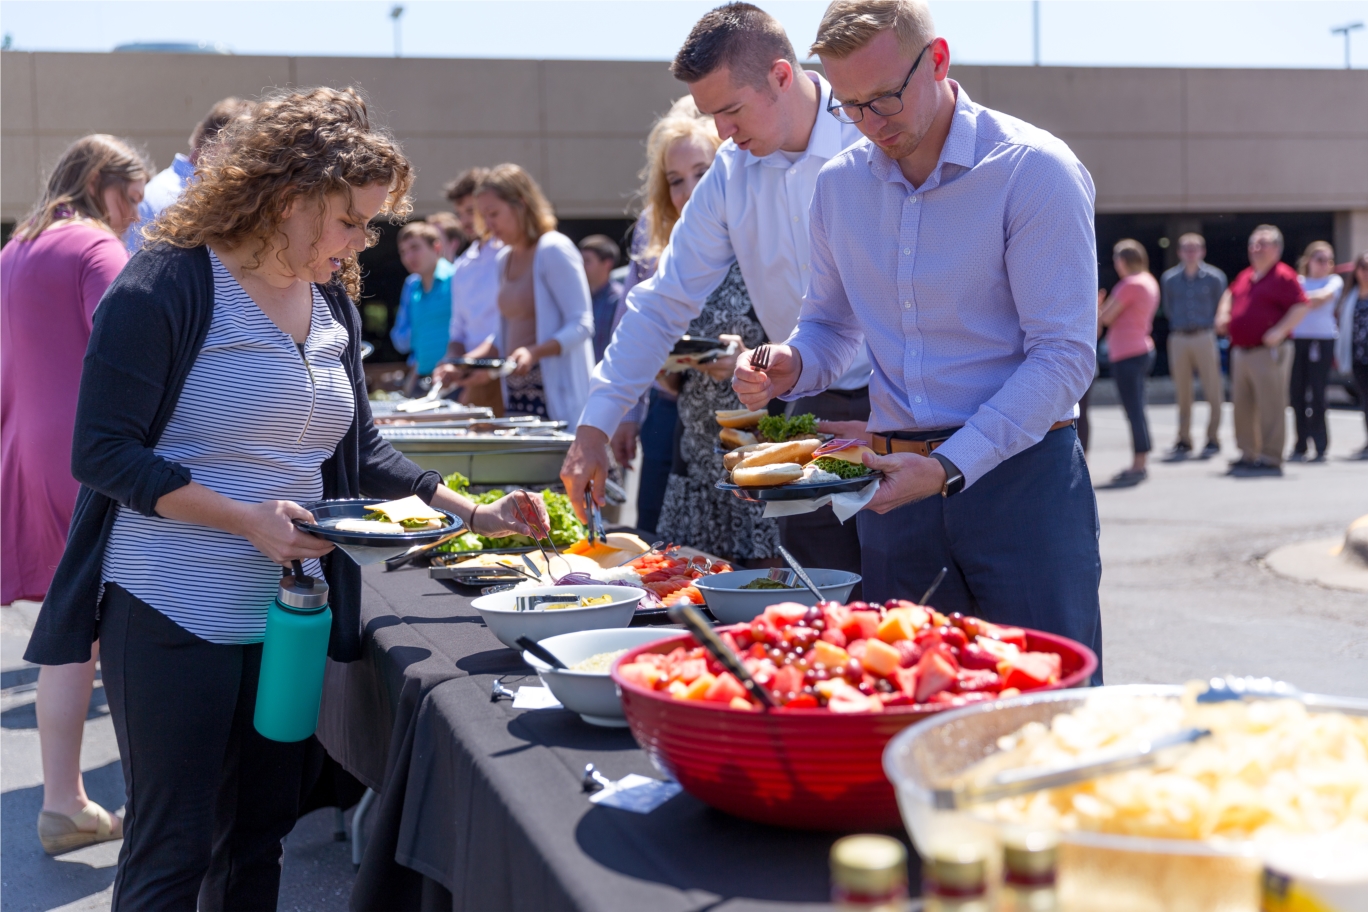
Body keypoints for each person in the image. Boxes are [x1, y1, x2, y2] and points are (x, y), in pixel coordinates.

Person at [20, 88, 547, 910]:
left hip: (284, 620)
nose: (362, 242)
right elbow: (103, 452)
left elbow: (359, 449)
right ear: (289, 199)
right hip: (169, 610)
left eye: (373, 224)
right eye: (350, 221)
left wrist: (470, 510)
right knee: (172, 853)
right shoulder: (168, 280)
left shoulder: (330, 293)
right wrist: (242, 519)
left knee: (256, 840)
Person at [732, 0, 1103, 670]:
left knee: (1047, 715)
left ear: (938, 60)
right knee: (904, 713)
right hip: (893, 488)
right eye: (849, 105)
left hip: (1021, 486)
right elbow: (829, 325)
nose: (871, 124)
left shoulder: (1034, 170)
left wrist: (949, 465)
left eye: (886, 98)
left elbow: (1065, 356)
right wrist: (790, 363)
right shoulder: (839, 186)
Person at [561, 2, 872, 579]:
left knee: (908, 597)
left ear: (782, 75)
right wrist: (595, 423)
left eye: (730, 110)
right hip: (805, 406)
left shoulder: (871, 134)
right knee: (818, 601)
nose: (721, 133)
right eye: (711, 114)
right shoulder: (732, 170)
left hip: (901, 405)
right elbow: (662, 302)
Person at [2, 134, 149, 855]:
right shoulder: (95, 248)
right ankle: (152, 800)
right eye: (133, 198)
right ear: (100, 182)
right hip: (94, 456)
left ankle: (65, 799)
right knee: (129, 624)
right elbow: (129, 348)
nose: (136, 216)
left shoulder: (17, 247)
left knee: (72, 631)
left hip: (29, 448)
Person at [625, 97, 781, 563]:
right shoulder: (672, 260)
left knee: (766, 600)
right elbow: (658, 355)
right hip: (695, 457)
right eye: (676, 180)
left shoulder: (770, 243)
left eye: (702, 172)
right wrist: (669, 369)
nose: (690, 190)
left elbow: (824, 341)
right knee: (691, 595)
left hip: (762, 454)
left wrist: (749, 357)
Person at [473, 163, 595, 424]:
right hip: (516, 394)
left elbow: (582, 324)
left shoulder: (554, 248)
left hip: (557, 398)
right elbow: (505, 332)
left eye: (493, 213)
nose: (488, 225)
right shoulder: (503, 258)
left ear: (521, 204)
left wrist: (534, 352)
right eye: (485, 216)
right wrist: (465, 362)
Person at [1214, 225, 1309, 476]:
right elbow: (1230, 294)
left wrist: (1279, 331)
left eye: (1262, 243)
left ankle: (1271, 456)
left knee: (1271, 406)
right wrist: (1223, 314)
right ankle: (1248, 452)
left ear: (1277, 249)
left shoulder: (1283, 276)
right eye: (1253, 244)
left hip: (1267, 352)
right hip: (1241, 350)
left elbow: (1301, 306)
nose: (1256, 248)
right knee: (1242, 406)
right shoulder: (1247, 275)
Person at [126, 97, 249, 252]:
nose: (249, 164)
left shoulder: (158, 190)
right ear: (222, 146)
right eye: (245, 152)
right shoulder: (173, 198)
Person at [432, 168, 505, 414]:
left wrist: (464, 363)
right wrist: (451, 361)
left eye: (470, 211)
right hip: (475, 380)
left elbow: (509, 328)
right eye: (460, 213)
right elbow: (458, 330)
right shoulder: (463, 265)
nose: (464, 221)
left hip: (511, 377)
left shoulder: (511, 254)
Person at [1160, 232, 1227, 459]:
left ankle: (1213, 437)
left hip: (1204, 335)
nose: (1190, 253)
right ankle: (1184, 438)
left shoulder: (1215, 277)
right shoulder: (1169, 279)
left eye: (1194, 248)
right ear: (1179, 252)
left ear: (1202, 251)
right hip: (1179, 336)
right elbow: (1168, 308)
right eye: (1186, 248)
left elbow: (1221, 306)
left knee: (1213, 388)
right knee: (1183, 391)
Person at [1098, 239, 1159, 486]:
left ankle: (1139, 461)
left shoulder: (1129, 285)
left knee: (1133, 409)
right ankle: (1142, 458)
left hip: (1128, 353)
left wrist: (1098, 306)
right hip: (1141, 348)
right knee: (1138, 407)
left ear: (1123, 260)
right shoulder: (1148, 280)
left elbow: (1107, 317)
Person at [1288, 241, 1343, 461]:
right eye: (1320, 259)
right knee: (1297, 393)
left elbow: (1322, 299)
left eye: (1329, 260)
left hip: (1323, 340)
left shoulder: (1334, 281)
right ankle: (1301, 443)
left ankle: (1320, 443)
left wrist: (1298, 300)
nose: (1324, 264)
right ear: (1308, 261)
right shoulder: (1298, 281)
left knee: (1318, 393)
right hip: (1299, 340)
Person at [389, 220, 455, 393]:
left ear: (437, 248)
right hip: (422, 381)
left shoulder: (457, 278)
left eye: (415, 248)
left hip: (455, 381)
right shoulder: (411, 286)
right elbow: (404, 340)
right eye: (403, 252)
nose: (409, 257)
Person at [1334, 253, 1368, 458]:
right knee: (1365, 401)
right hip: (1358, 358)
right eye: (1363, 267)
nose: (1366, 272)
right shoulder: (1350, 297)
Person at [578, 234, 624, 361]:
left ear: (607, 264)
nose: (581, 266)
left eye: (587, 261)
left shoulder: (619, 300)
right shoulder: (577, 299)